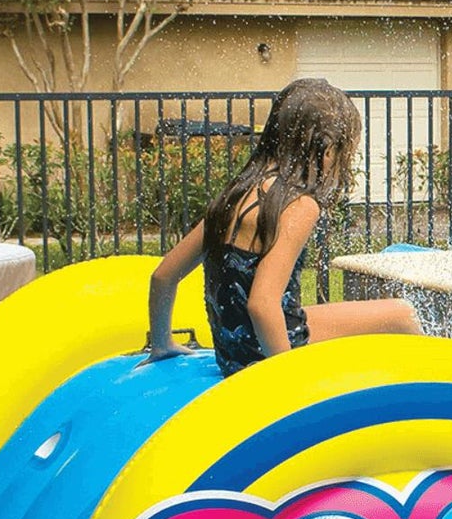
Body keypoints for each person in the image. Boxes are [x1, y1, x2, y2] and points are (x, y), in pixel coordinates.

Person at [146, 78, 422, 373]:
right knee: (402, 314)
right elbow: (262, 305)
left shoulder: (234, 195)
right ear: (327, 148)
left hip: (232, 355)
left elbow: (163, 276)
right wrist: (285, 378)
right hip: (266, 354)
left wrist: (162, 344)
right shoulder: (298, 205)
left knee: (338, 314)